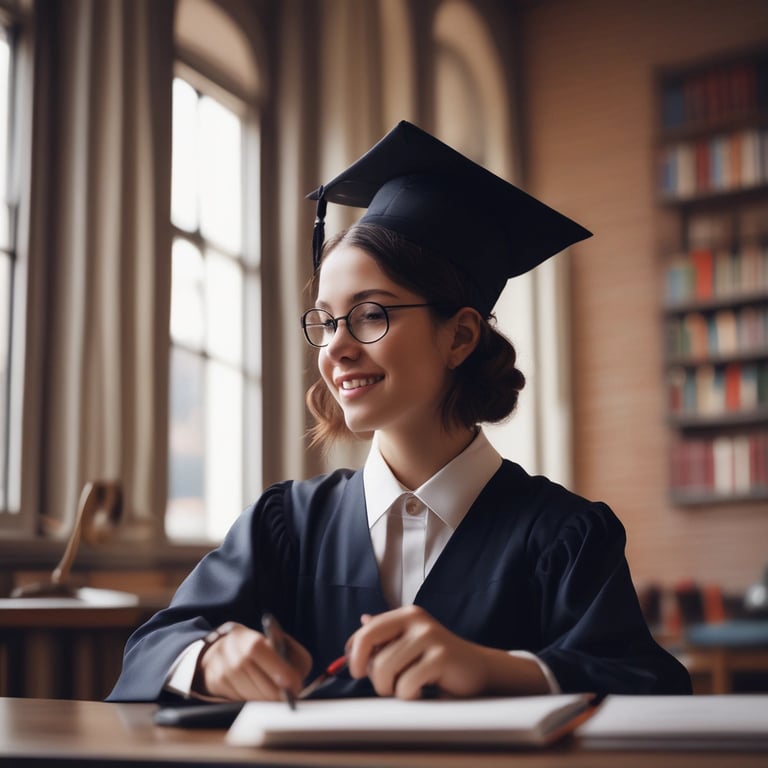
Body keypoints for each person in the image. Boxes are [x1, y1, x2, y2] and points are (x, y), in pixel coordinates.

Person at [108, 121, 691, 703]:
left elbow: (649, 688)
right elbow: (153, 649)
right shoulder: (284, 526)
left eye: (369, 314)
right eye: (326, 321)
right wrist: (209, 658)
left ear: (460, 337)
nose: (336, 347)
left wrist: (499, 671)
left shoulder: (564, 537)